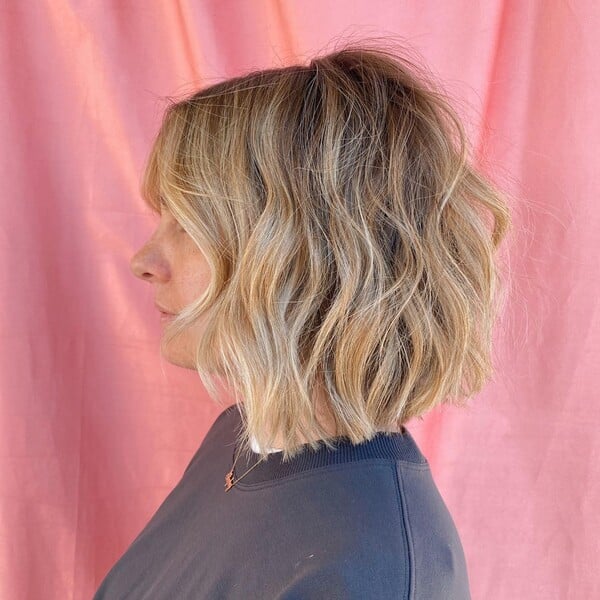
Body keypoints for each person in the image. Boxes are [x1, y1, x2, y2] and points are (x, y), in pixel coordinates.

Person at [93, 40, 511, 599]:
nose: (144, 261)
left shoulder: (372, 574)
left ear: (305, 256)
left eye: (190, 224)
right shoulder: (244, 440)